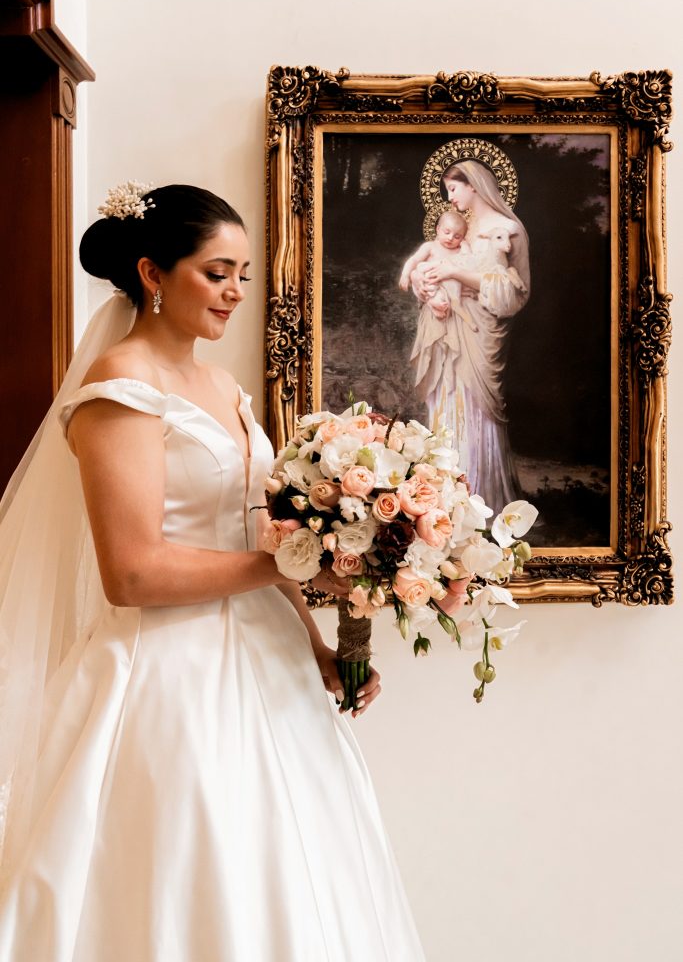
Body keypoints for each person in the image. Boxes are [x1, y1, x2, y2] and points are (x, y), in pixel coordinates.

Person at [0, 183, 425, 960]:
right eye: (215, 272)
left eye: (242, 275)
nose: (234, 292)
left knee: (297, 876)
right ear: (153, 275)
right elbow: (131, 574)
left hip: (274, 669)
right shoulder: (118, 391)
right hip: (170, 676)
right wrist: (280, 566)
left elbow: (260, 535)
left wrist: (316, 641)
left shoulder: (222, 387)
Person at [408, 160, 530, 516]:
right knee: (444, 401)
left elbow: (515, 293)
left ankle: (482, 500)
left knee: (476, 408)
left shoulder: (508, 229)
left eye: (454, 188)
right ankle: (441, 501)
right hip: (444, 326)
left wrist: (456, 273)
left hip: (481, 328)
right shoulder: (453, 227)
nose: (450, 197)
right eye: (447, 189)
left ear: (474, 185)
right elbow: (427, 267)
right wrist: (425, 285)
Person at [398, 208, 475, 329]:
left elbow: (469, 263)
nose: (450, 238)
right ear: (438, 229)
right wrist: (405, 274)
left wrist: (465, 247)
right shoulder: (431, 247)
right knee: (428, 285)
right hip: (431, 287)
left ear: (462, 238)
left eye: (457, 236)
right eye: (447, 232)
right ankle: (433, 304)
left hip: (452, 295)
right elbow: (414, 260)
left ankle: (440, 306)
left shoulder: (459, 251)